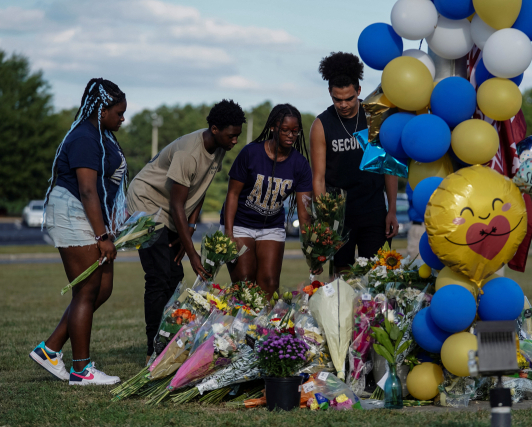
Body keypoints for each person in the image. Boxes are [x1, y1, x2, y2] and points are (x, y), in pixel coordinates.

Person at [126, 100, 245, 361]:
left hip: (170, 209)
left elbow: (198, 191)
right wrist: (192, 253)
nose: (235, 140)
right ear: (214, 129)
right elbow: (177, 202)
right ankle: (153, 350)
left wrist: (189, 231)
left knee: (174, 276)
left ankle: (169, 340)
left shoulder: (219, 147)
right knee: (159, 276)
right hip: (146, 204)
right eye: (231, 135)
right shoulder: (189, 153)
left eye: (237, 134)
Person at [31, 78, 127, 385]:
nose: (122, 118)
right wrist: (102, 237)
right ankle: (81, 370)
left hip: (87, 213)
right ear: (102, 110)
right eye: (118, 112)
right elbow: (87, 190)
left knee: (102, 288)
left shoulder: (102, 134)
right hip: (74, 211)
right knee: (85, 291)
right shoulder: (86, 137)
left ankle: (50, 349)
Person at [310, 52, 399, 275]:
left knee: (378, 276)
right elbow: (318, 177)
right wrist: (324, 220)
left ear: (358, 91)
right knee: (342, 280)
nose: (343, 104)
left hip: (374, 211)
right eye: (337, 99)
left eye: (349, 98)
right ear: (330, 94)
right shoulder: (321, 124)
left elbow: (388, 166)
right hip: (340, 217)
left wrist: (393, 210)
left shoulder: (375, 116)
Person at [221, 104, 314, 298]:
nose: (291, 135)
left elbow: (304, 212)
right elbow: (232, 195)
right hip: (240, 224)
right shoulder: (251, 153)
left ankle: (264, 329)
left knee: (270, 284)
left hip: (271, 226)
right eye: (285, 130)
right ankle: (241, 327)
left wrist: (311, 248)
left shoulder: (300, 164)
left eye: (295, 131)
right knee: (244, 282)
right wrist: (228, 234)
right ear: (273, 127)